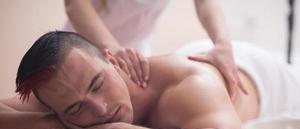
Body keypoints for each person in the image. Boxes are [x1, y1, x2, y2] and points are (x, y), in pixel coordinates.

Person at [1, 31, 300, 129]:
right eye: (76, 109)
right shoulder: (66, 93)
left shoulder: (189, 85)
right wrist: (46, 124)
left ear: (114, 61)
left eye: (98, 84)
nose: (101, 109)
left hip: (269, 79)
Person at [63, 0, 247, 98]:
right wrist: (112, 48)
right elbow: (75, 4)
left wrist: (222, 44)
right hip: (81, 52)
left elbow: (206, 2)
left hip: (135, 58)